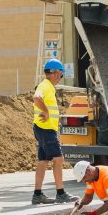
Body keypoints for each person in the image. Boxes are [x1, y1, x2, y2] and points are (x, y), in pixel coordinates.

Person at [31, 59, 79, 204]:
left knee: (43, 161)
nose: (60, 77)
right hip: (46, 129)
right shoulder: (44, 85)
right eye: (60, 74)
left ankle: (37, 195)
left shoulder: (48, 87)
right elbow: (36, 97)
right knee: (58, 159)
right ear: (54, 73)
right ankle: (60, 193)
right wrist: (45, 111)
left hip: (43, 129)